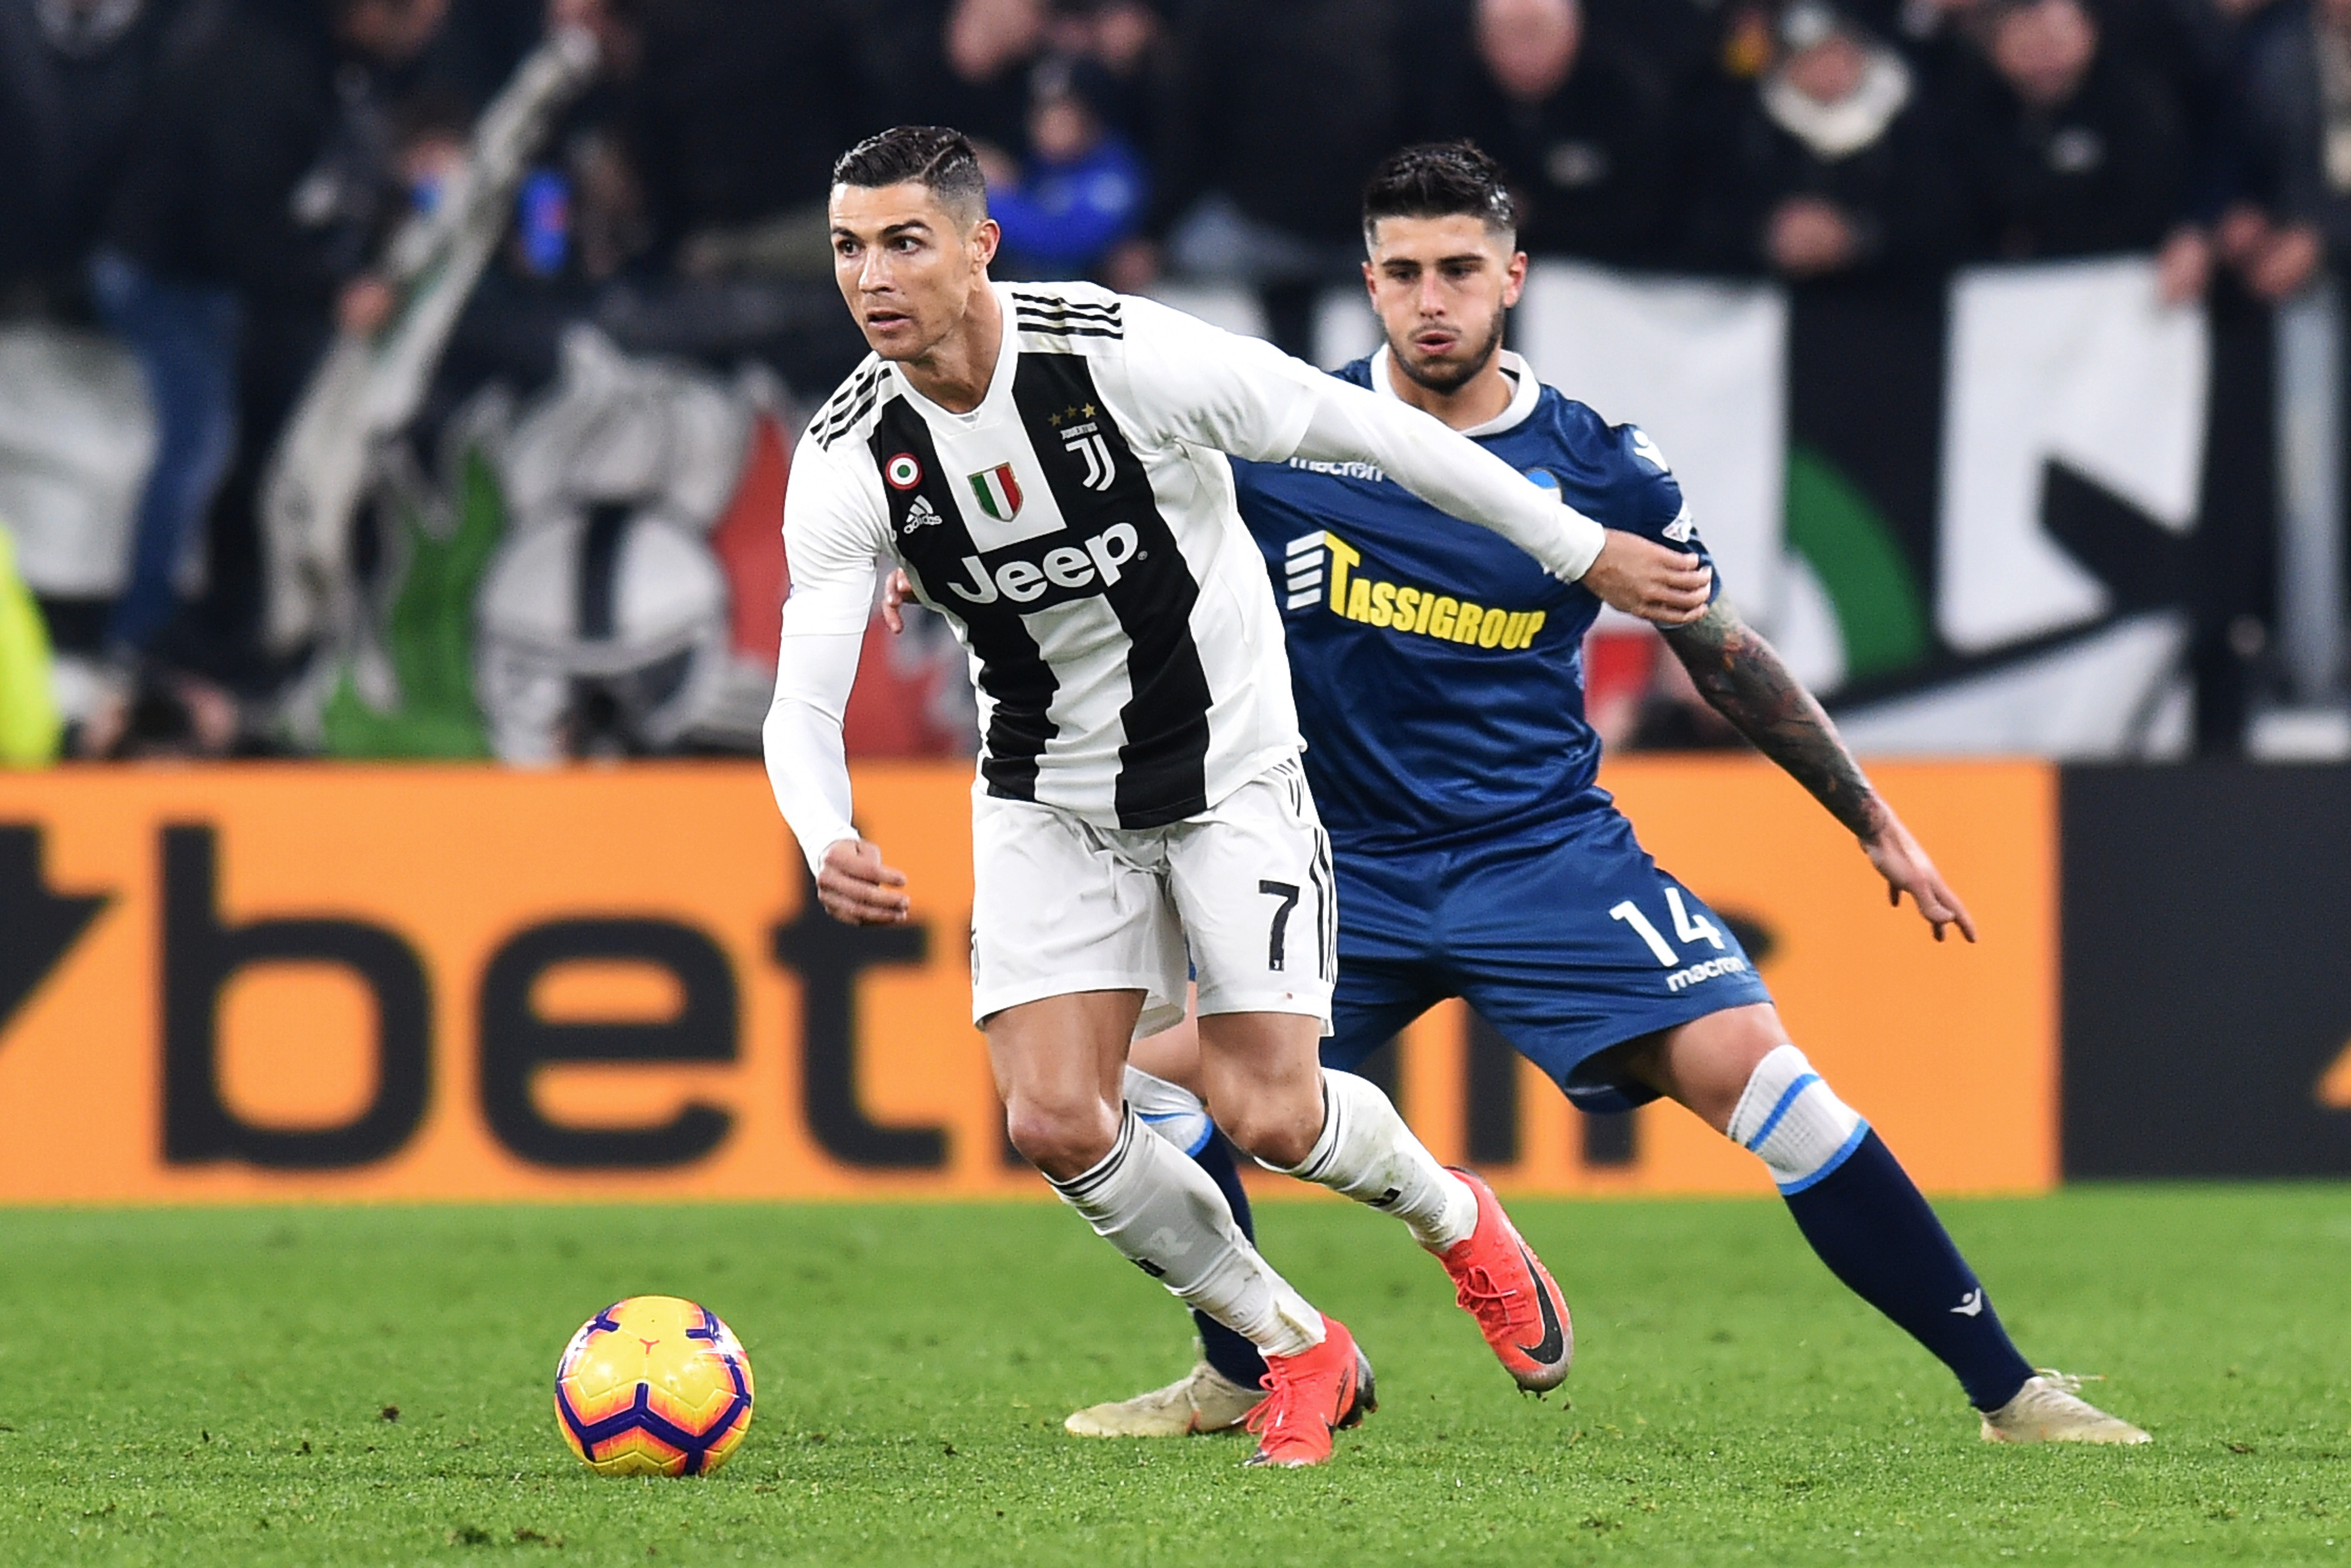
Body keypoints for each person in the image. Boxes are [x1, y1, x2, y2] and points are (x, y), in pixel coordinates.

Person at [955, 140, 2146, 1447]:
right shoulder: (1287, 433)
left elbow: (1719, 652)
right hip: (1333, 863)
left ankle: (2011, 1393)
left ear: (1512, 276)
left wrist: (1871, 819)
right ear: (1368, 281)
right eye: (1405, 271)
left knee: (1779, 1091)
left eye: (1460, 269)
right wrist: (941, 560)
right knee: (1118, 1090)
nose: (1433, 300)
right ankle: (1243, 1363)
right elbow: (1097, 523)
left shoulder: (1601, 465)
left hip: (1540, 854)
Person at [762, 125, 1713, 1467]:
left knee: (1273, 1115)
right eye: (849, 247)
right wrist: (825, 832)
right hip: (1043, 790)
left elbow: (1371, 430)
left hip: (1228, 770)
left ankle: (1456, 1219)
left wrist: (1577, 548)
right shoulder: (849, 451)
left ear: (981, 248)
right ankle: (1291, 1342)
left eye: (904, 241)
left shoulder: (1121, 356)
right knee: (1052, 1118)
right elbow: (802, 698)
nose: (872, 276)